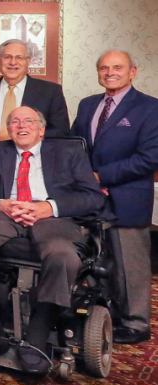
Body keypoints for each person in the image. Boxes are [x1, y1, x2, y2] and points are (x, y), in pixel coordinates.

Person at [0, 106, 103, 374]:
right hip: (9, 213)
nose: (21, 125)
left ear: (41, 129)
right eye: (14, 121)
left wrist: (48, 207)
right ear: (9, 129)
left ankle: (38, 332)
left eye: (28, 121)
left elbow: (93, 197)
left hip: (52, 217)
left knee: (61, 254)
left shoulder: (68, 152)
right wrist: (0, 203)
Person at [71, 50, 158, 345]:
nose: (110, 72)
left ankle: (135, 323)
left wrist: (101, 178)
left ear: (133, 71)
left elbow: (149, 159)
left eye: (117, 67)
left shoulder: (150, 108)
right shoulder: (87, 105)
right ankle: (105, 316)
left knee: (129, 264)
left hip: (127, 198)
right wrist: (86, 181)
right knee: (96, 259)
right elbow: (75, 148)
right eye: (104, 67)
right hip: (90, 199)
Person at [0, 39, 70, 148]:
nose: (13, 62)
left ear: (28, 61)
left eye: (19, 57)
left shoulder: (51, 91)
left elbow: (62, 131)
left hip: (36, 160)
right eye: (7, 57)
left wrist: (31, 136)